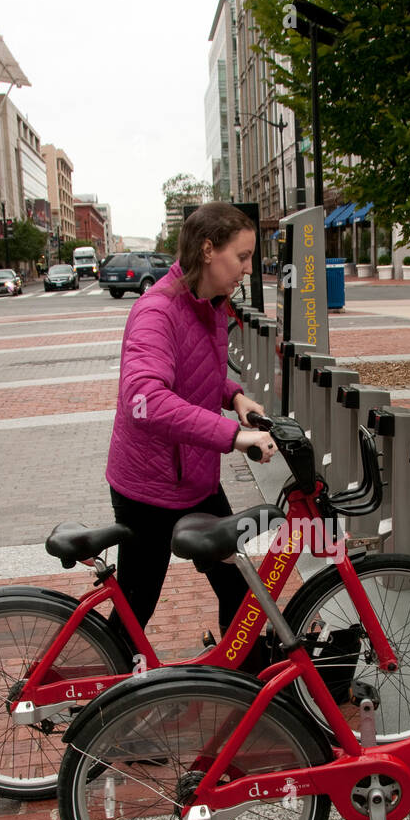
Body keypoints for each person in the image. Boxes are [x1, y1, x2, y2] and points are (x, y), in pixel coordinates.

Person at [106, 201, 275, 646]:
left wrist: (233, 395)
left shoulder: (209, 304)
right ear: (207, 250)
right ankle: (96, 702)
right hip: (150, 488)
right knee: (136, 605)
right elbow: (145, 398)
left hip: (195, 481)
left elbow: (195, 371)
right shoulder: (156, 311)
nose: (248, 268)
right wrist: (234, 436)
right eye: (241, 257)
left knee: (237, 587)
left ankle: (245, 682)